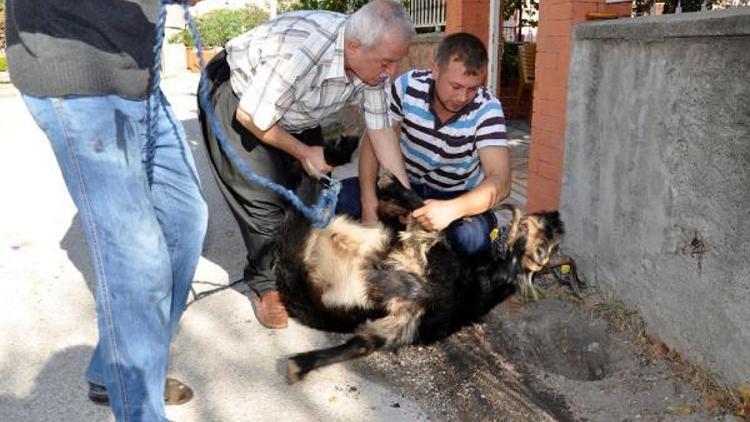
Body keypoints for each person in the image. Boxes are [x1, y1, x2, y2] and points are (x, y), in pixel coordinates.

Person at [5, 1, 208, 420]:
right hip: (74, 75)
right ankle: (140, 408)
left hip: (138, 78)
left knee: (186, 221)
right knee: (138, 262)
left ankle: (116, 372)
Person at [198, 0, 415, 329]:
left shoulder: (372, 66)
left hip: (295, 109)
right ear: (353, 46)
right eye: (386, 62)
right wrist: (303, 152)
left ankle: (298, 261)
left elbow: (382, 132)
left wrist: (406, 196)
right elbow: (252, 116)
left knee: (309, 194)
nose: (392, 72)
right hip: (239, 97)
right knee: (263, 202)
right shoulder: (304, 51)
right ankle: (265, 286)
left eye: (396, 62)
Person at [337, 32, 512, 256]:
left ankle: (410, 241)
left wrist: (452, 210)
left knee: (473, 238)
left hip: (456, 197)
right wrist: (369, 204)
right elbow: (373, 142)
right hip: (404, 187)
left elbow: (501, 180)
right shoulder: (407, 87)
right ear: (435, 69)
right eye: (456, 86)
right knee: (342, 198)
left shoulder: (488, 108)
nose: (463, 97)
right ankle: (410, 238)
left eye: (472, 88)